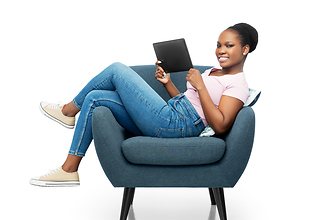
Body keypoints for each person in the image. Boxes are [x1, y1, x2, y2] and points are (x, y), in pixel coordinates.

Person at [30, 23, 258, 187]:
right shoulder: (213, 71)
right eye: (218, 45)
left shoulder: (238, 84)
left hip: (180, 125)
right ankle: (69, 169)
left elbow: (220, 125)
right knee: (96, 97)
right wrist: (167, 83)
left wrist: (201, 87)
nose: (220, 50)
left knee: (117, 68)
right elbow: (187, 103)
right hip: (173, 115)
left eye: (228, 46)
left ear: (245, 49)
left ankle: (68, 111)